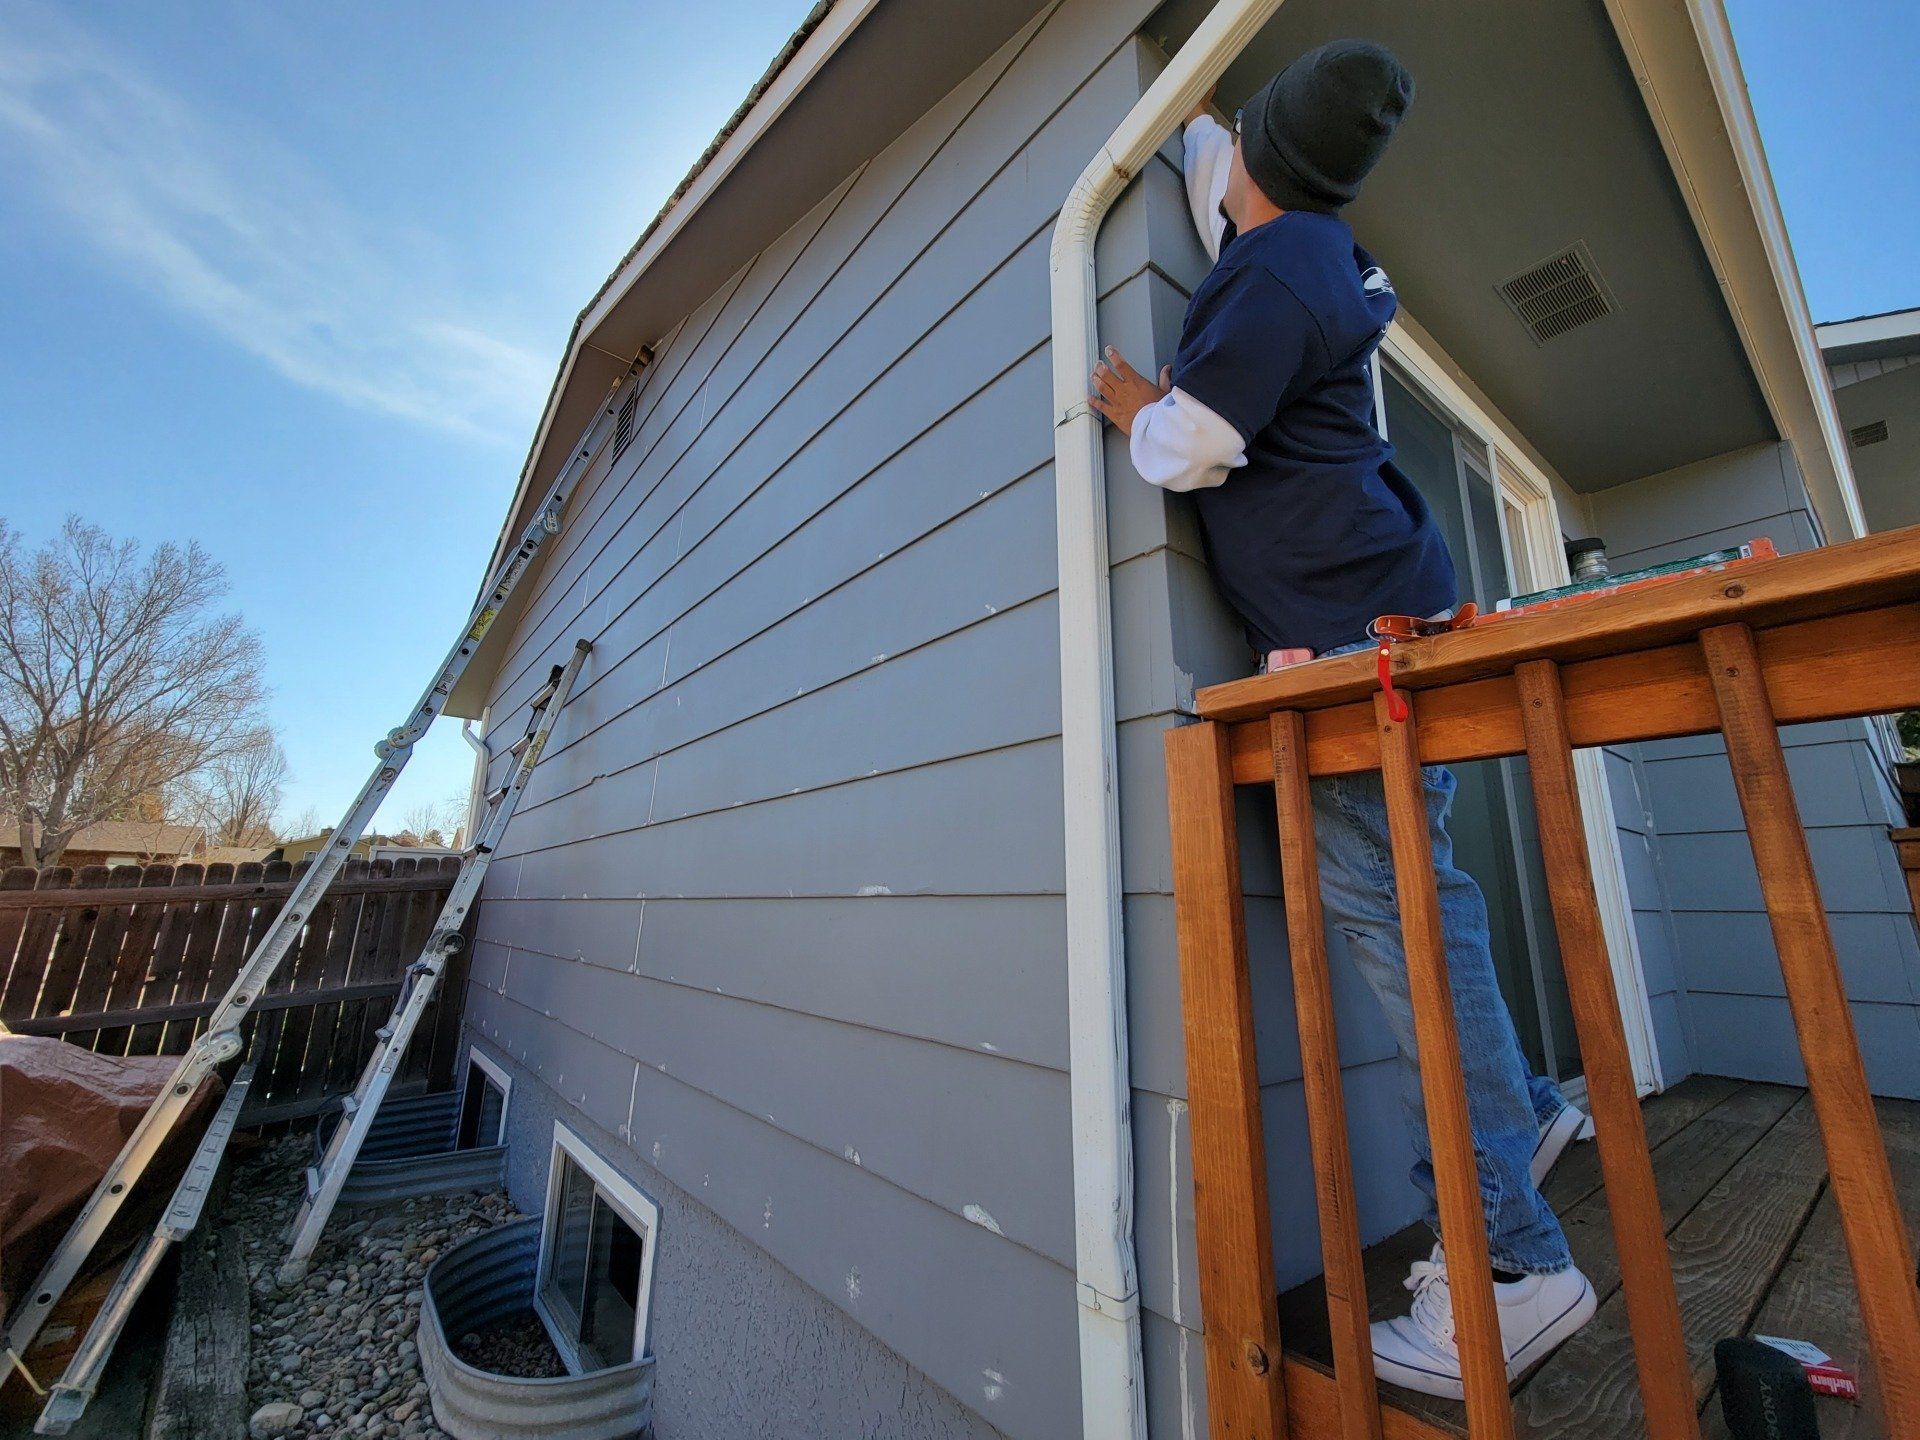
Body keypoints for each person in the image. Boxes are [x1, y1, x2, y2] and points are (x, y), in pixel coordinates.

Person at [1087, 40, 1598, 1399]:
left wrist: (1139, 406)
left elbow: (1199, 443)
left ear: (1260, 162)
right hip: (1388, 615)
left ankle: (1512, 1265)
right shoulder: (1313, 243)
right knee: (1430, 908)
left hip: (1352, 649)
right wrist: (1200, 121)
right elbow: (1231, 178)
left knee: (1405, 941)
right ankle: (1528, 1119)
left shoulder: (1268, 274)